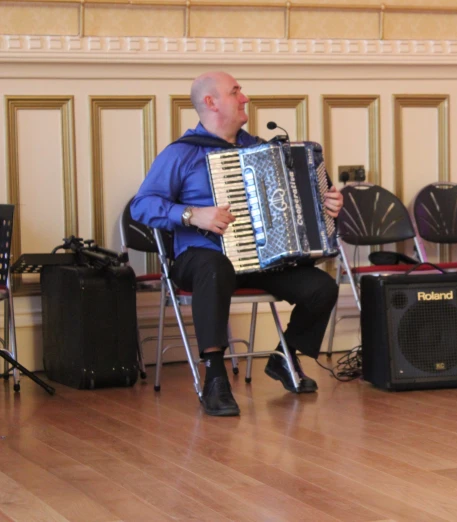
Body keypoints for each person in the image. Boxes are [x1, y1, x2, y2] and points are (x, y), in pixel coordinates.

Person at [131, 71, 342, 416]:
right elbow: (142, 205)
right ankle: (215, 377)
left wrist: (328, 203)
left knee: (321, 287)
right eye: (235, 92)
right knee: (215, 268)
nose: (245, 98)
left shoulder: (260, 149)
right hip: (200, 259)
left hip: (257, 260)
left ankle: (283, 357)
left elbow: (299, 203)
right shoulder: (181, 154)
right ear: (211, 103)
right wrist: (191, 215)